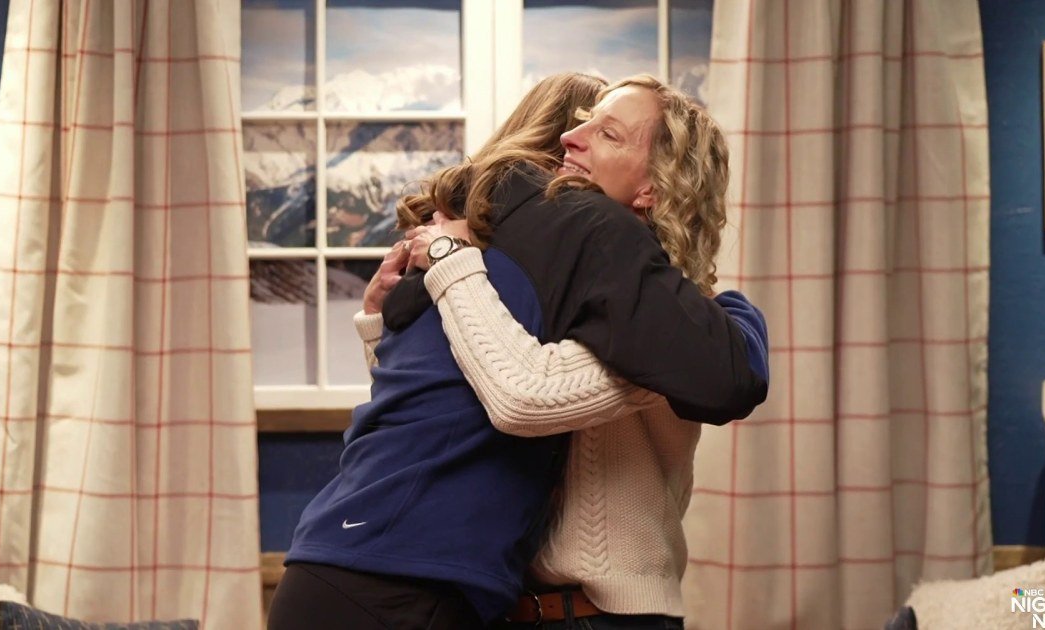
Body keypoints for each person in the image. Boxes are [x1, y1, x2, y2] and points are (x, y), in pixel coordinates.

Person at [268, 72, 767, 630]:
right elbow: (447, 404)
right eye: (581, 126)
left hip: (605, 614)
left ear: (656, 185)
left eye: (608, 135)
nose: (569, 143)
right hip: (501, 602)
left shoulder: (680, 323)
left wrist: (451, 259)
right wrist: (381, 324)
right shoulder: (554, 285)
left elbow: (522, 394)